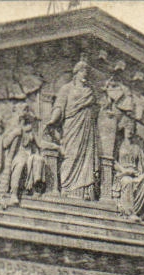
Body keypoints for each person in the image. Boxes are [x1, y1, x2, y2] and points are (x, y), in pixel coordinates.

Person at [46, 58, 100, 199]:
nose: (85, 74)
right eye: (82, 71)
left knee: (86, 156)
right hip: (71, 125)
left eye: (86, 71)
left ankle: (84, 190)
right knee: (70, 154)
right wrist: (52, 120)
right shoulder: (66, 88)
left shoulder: (90, 90)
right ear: (76, 73)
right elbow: (59, 106)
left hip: (87, 127)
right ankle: (66, 186)